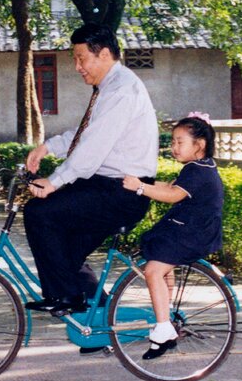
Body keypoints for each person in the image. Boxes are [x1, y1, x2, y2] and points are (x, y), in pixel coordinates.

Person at [23, 23, 158, 317]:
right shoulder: (111, 87)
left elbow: (92, 147)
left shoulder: (122, 90)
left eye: (81, 58)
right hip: (108, 186)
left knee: (39, 213)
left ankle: (66, 297)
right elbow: (86, 134)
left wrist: (56, 181)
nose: (77, 67)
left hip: (123, 191)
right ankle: (98, 319)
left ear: (104, 54)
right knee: (63, 252)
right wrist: (47, 147)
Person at [122, 114, 223, 360]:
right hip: (188, 228)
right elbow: (168, 187)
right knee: (162, 263)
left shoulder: (198, 171)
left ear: (199, 145)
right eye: (173, 142)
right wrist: (142, 182)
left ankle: (164, 327)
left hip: (193, 233)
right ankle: (164, 317)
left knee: (153, 271)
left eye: (180, 142)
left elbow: (172, 196)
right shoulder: (199, 166)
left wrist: (140, 187)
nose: (173, 147)